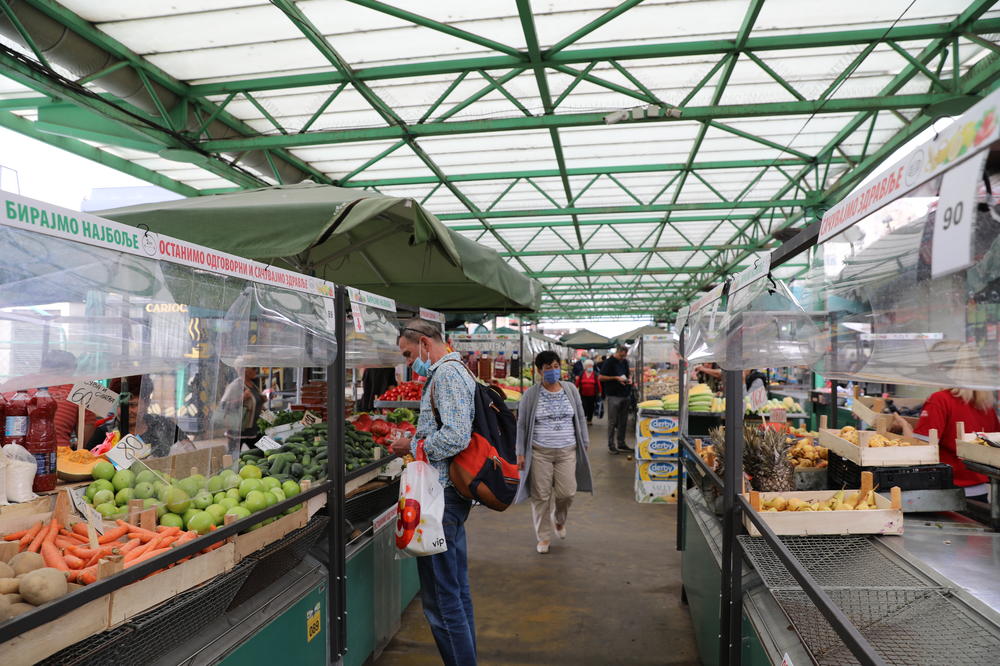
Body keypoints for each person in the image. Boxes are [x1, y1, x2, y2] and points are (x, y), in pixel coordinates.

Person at [386, 318, 477, 666]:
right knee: (455, 591)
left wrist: (413, 443)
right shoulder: (455, 372)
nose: (409, 363)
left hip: (441, 499)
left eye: (409, 355)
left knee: (441, 600)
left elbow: (456, 436)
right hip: (448, 496)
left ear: (425, 343)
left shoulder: (447, 375)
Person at [515, 351, 593, 554]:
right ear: (539, 371)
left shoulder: (571, 390)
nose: (552, 371)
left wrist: (584, 440)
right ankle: (543, 537)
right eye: (547, 367)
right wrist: (520, 452)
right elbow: (522, 425)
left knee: (567, 492)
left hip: (567, 450)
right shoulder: (531, 395)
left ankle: (558, 519)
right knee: (540, 496)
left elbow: (581, 416)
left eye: (556, 366)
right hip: (540, 452)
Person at [893, 388, 1000, 501]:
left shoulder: (940, 399)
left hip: (946, 490)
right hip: (979, 491)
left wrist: (904, 426)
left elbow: (921, 450)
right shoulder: (985, 406)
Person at [220, 366, 264, 450]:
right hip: (237, 431)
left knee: (264, 453)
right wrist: (242, 398)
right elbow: (224, 405)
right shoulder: (235, 385)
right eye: (254, 368)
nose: (257, 370)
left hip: (254, 429)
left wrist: (262, 400)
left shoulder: (253, 385)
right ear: (245, 370)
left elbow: (255, 404)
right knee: (233, 457)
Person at [599, 345, 632, 454]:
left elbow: (627, 374)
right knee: (612, 422)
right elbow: (601, 377)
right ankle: (611, 445)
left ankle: (621, 443)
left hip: (625, 394)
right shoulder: (609, 362)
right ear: (618, 352)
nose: (623, 357)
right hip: (613, 395)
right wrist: (615, 378)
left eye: (625, 356)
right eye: (622, 355)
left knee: (623, 421)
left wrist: (629, 379)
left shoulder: (625, 362)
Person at [575, 359, 601, 425]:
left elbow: (598, 384)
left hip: (593, 394)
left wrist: (600, 392)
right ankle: (584, 418)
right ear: (585, 367)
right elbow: (577, 383)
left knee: (591, 407)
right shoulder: (581, 374)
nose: (590, 367)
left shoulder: (595, 374)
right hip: (583, 394)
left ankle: (589, 420)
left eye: (591, 366)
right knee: (584, 406)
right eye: (589, 366)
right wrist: (575, 390)